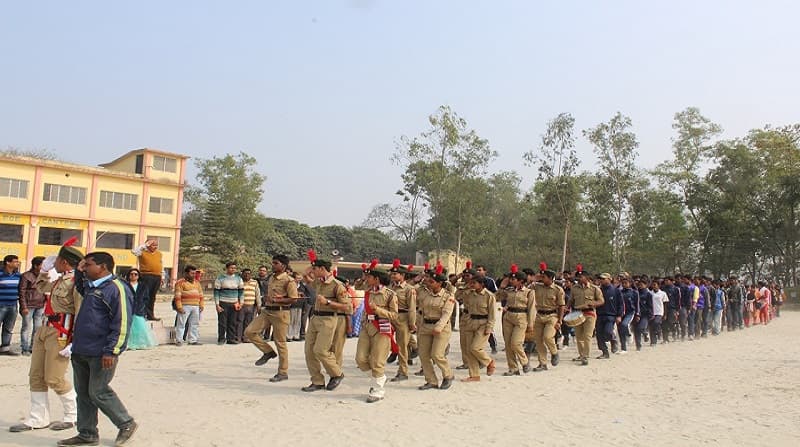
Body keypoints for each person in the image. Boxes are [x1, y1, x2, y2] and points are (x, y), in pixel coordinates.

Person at [58, 251, 137, 447]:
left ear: (103, 267)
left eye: (89, 265)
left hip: (102, 352)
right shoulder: (91, 286)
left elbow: (122, 322)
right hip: (81, 349)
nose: (85, 268)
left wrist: (112, 350)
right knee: (83, 393)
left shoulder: (117, 288)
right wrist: (79, 269)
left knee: (98, 391)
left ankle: (126, 423)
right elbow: (79, 285)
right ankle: (87, 433)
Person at [10, 243, 82, 434]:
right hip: (45, 328)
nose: (53, 262)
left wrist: (75, 341)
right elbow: (41, 288)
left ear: (65, 262)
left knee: (54, 378)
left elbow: (81, 313)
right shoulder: (61, 279)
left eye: (56, 259)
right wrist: (44, 271)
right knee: (36, 376)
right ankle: (38, 417)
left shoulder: (76, 283)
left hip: (61, 332)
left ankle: (73, 415)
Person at [301, 256, 350, 392]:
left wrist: (328, 302)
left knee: (320, 350)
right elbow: (306, 278)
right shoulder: (318, 282)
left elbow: (346, 307)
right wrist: (309, 269)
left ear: (322, 269)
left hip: (328, 319)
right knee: (309, 351)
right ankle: (317, 381)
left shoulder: (337, 285)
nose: (313, 271)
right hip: (315, 318)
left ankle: (337, 374)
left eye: (315, 269)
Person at [246, 255, 297, 382]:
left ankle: (283, 372)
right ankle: (268, 352)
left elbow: (293, 298)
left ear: (283, 266)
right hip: (267, 311)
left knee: (280, 343)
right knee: (250, 332)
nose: (272, 265)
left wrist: (277, 299)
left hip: (281, 313)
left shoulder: (289, 281)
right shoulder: (271, 278)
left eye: (276, 263)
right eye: (273, 263)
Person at [355, 268, 398, 402]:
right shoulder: (368, 291)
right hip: (367, 326)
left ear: (377, 279)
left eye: (369, 277)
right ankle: (379, 378)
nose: (367, 279)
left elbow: (394, 315)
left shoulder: (390, 294)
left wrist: (378, 310)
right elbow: (358, 285)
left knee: (377, 361)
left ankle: (378, 390)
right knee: (360, 359)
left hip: (382, 327)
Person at [416, 266, 455, 390]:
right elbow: (420, 309)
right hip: (425, 326)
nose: (429, 283)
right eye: (428, 281)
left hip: (441, 328)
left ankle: (448, 375)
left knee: (437, 354)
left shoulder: (447, 296)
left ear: (440, 283)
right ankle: (431, 380)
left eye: (432, 282)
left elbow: (446, 314)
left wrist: (438, 327)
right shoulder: (425, 294)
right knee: (423, 355)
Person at [496, 265, 535, 375]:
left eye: (513, 279)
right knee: (508, 344)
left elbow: (531, 308)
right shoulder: (509, 290)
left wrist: (530, 324)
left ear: (521, 281)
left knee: (516, 343)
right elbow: (496, 297)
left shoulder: (529, 292)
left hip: (521, 317)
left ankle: (525, 362)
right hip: (508, 317)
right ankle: (513, 368)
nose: (511, 281)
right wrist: (502, 287)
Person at [460, 276, 496, 381]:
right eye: (471, 283)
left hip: (483, 323)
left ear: (481, 284)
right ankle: (474, 375)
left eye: (474, 283)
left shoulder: (489, 296)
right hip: (470, 322)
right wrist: (465, 288)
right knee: (469, 350)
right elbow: (458, 296)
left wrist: (489, 327)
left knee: (475, 347)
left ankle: (489, 362)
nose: (471, 285)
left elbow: (492, 314)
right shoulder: (469, 294)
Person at [567, 268, 604, 365]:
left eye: (581, 277)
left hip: (590, 314)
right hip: (578, 314)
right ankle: (581, 354)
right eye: (578, 277)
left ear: (587, 277)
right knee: (579, 336)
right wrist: (567, 309)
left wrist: (593, 303)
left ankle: (585, 356)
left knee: (587, 336)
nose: (579, 278)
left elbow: (601, 301)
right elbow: (571, 301)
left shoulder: (594, 288)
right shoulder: (574, 288)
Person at [531, 268, 565, 372]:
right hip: (539, 315)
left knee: (547, 337)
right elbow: (527, 285)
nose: (542, 278)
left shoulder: (558, 290)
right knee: (538, 340)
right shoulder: (537, 287)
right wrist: (535, 278)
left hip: (552, 316)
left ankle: (554, 353)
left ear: (550, 278)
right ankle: (542, 363)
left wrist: (559, 321)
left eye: (544, 277)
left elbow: (561, 306)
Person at [388, 261, 417, 382]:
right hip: (390, 316)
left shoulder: (409, 289)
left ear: (403, 275)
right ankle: (415, 348)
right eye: (392, 273)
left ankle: (403, 371)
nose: (393, 276)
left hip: (403, 317)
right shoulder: (390, 287)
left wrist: (412, 323)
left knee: (401, 346)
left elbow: (412, 308)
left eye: (396, 274)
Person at [123, 268, 157, 350]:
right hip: (128, 308)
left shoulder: (143, 286)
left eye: (135, 274)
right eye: (131, 274)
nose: (133, 276)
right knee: (129, 328)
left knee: (141, 327)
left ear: (138, 276)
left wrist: (144, 307)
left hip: (139, 309)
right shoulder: (125, 285)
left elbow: (146, 298)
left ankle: (141, 343)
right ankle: (129, 344)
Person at [18, 256, 46, 356]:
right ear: (35, 265)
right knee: (26, 327)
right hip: (29, 305)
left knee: (38, 328)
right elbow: (21, 292)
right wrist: (23, 306)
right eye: (42, 264)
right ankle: (24, 348)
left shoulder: (44, 276)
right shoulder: (26, 276)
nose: (44, 266)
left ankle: (33, 347)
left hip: (40, 305)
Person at [131, 239, 163, 321]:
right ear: (148, 245)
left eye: (156, 245)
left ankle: (150, 315)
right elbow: (134, 251)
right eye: (153, 245)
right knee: (145, 296)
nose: (155, 247)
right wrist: (144, 245)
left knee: (152, 297)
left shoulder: (159, 254)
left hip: (157, 276)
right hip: (146, 276)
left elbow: (161, 264)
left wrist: (162, 276)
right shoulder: (142, 252)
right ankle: (142, 314)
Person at [173, 265, 205, 346]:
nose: (194, 275)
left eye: (194, 273)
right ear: (186, 273)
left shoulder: (197, 283)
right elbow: (177, 296)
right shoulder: (180, 283)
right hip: (184, 306)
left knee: (194, 323)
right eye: (192, 273)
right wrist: (179, 307)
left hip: (196, 306)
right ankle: (179, 340)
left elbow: (201, 295)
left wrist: (201, 305)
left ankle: (192, 340)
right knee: (181, 323)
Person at [213, 262, 244, 345]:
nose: (233, 269)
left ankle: (231, 339)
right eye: (231, 268)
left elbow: (241, 292)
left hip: (234, 303)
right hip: (223, 302)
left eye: (234, 268)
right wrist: (217, 305)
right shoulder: (220, 278)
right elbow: (216, 292)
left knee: (233, 322)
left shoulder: (238, 279)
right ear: (227, 268)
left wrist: (241, 303)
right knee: (222, 322)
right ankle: (221, 339)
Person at [0, 254, 22, 356]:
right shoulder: (0, 274)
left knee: (9, 328)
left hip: (13, 305)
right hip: (1, 305)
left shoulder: (18, 276)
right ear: (8, 263)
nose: (17, 263)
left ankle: (5, 348)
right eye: (15, 261)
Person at [238, 268, 261, 343]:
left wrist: (259, 305)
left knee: (248, 323)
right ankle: (238, 337)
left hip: (251, 306)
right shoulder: (239, 282)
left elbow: (257, 294)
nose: (247, 275)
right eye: (245, 273)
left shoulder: (254, 282)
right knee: (239, 322)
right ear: (242, 274)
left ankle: (246, 338)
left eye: (249, 273)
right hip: (241, 306)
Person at [649, 280, 668, 346]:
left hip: (660, 311)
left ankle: (659, 331)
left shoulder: (663, 293)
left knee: (656, 323)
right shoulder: (650, 293)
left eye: (655, 284)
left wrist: (665, 314)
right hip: (652, 312)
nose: (653, 286)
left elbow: (665, 304)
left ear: (658, 285)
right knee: (651, 327)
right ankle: (653, 342)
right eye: (652, 285)